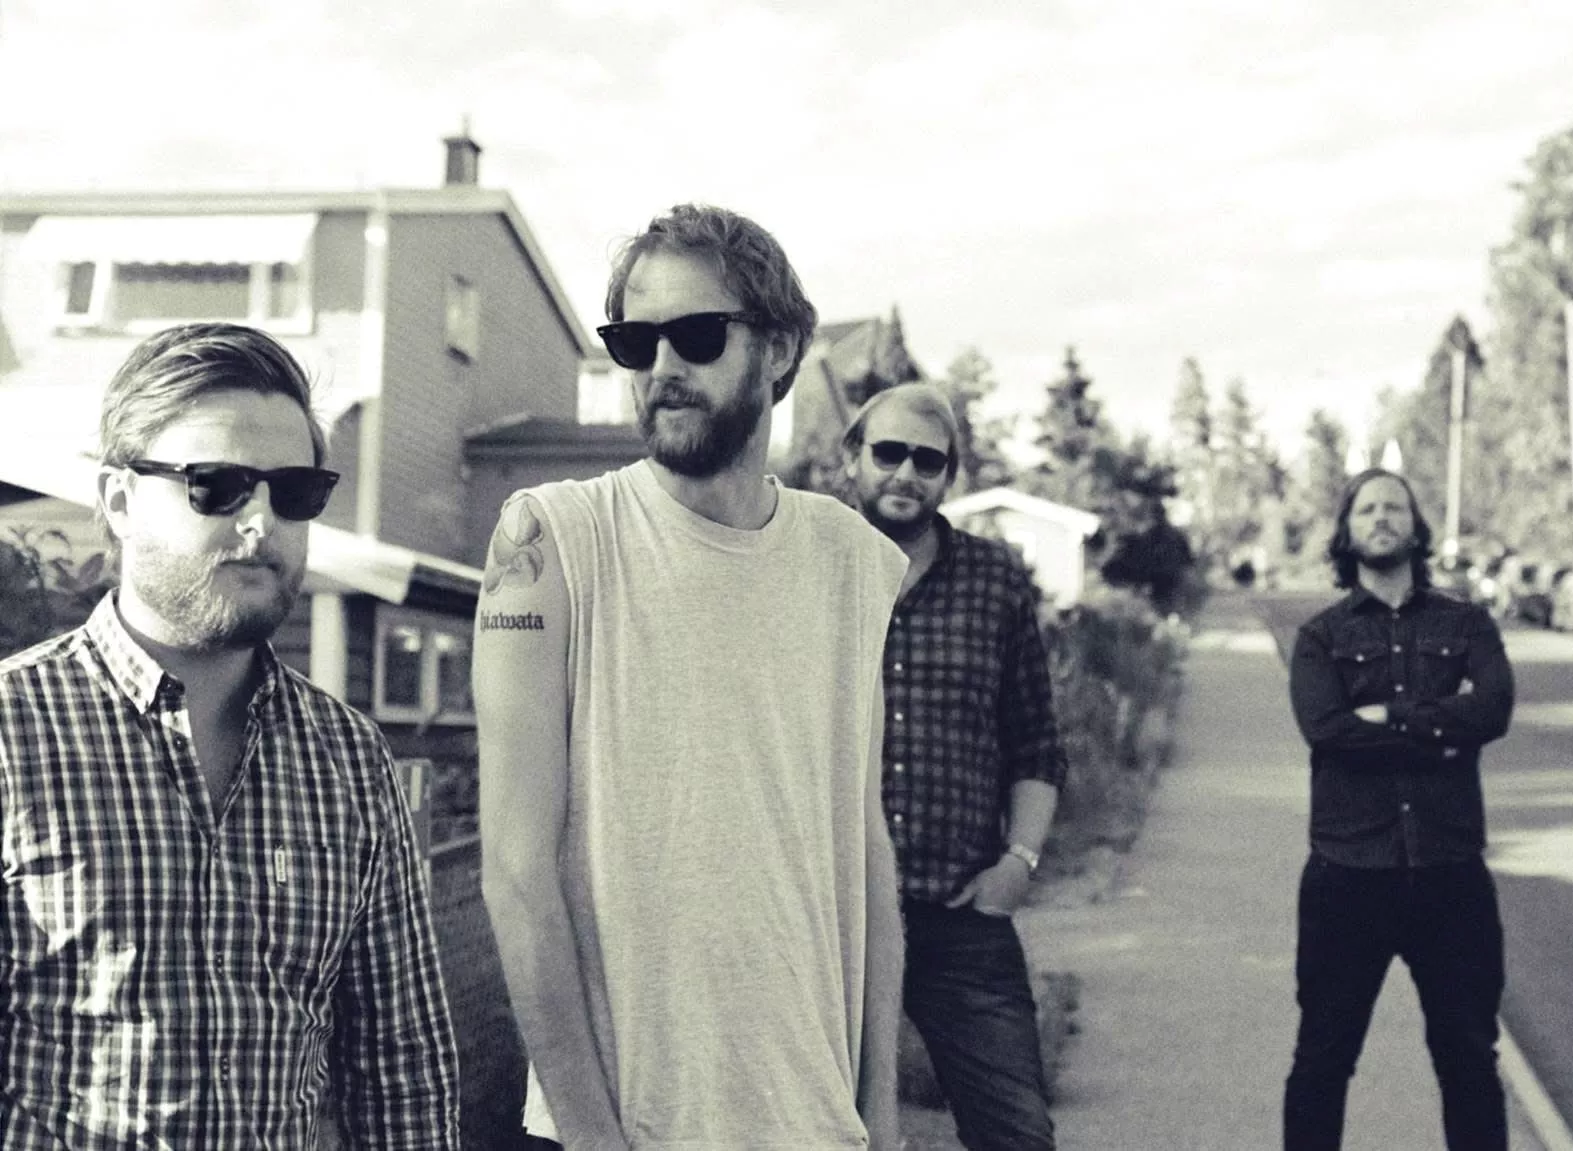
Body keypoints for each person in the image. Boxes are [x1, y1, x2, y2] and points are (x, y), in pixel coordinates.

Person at [475, 204, 906, 1150]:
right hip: (626, 1123)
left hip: (815, 1118)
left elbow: (864, 843)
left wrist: (881, 1107)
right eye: (636, 342)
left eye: (698, 335)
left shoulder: (853, 560)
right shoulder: (549, 540)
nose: (662, 366)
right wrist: (592, 1135)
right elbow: (514, 868)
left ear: (781, 349)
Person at [0, 323, 461, 1147]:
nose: (260, 521)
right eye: (216, 485)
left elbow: (403, 1071)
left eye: (295, 491)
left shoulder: (350, 761)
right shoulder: (13, 731)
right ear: (118, 499)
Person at [841, 384, 1064, 1151]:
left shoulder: (994, 580)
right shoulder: (809, 566)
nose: (906, 472)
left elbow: (1036, 739)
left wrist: (1018, 863)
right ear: (852, 458)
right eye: (888, 452)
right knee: (812, 1131)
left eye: (927, 460)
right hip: (833, 911)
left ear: (949, 475)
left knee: (1019, 1134)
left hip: (961, 912)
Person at [1282, 468, 1516, 1151]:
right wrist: (1444, 729)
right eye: (1366, 509)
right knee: (1323, 1058)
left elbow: (1493, 709)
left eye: (1395, 507)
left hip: (1451, 875)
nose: (1381, 517)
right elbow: (1328, 731)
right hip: (1348, 875)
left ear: (1416, 528)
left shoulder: (1466, 623)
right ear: (1346, 533)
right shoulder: (1319, 637)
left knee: (1469, 1059)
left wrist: (1389, 716)